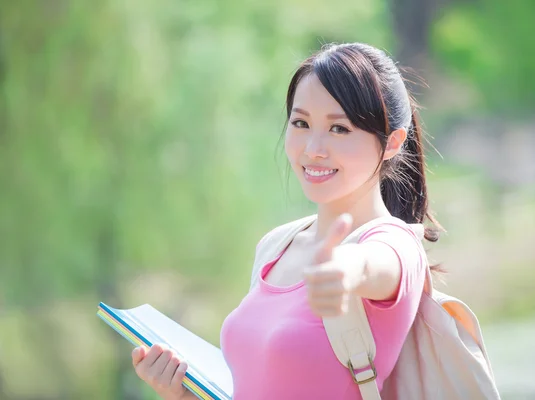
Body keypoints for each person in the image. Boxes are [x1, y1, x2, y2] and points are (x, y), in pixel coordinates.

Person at [130, 42, 443, 400]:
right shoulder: (276, 246)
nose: (313, 148)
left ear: (391, 142)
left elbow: (374, 265)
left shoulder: (395, 245)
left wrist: (345, 269)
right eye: (301, 123)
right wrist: (183, 394)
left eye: (339, 128)